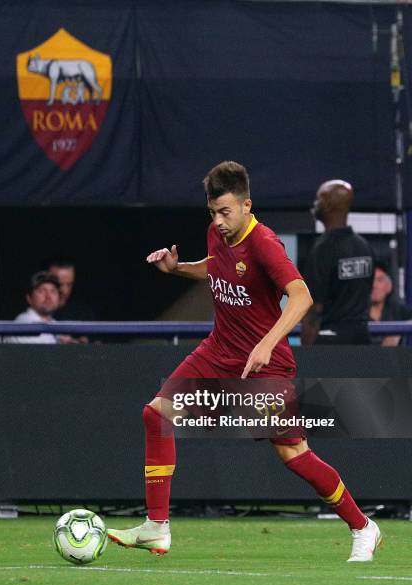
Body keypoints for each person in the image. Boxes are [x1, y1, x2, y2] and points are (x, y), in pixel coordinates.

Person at [107, 162, 382, 562]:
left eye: (225, 212)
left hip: (264, 365)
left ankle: (362, 526)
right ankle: (156, 526)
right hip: (219, 351)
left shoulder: (265, 244)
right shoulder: (217, 233)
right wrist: (178, 268)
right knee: (156, 415)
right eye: (212, 213)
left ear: (247, 205)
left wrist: (268, 343)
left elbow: (301, 296)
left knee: (294, 455)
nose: (218, 222)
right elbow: (214, 268)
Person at [301, 180, 374, 345]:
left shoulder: (321, 250)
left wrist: (305, 357)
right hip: (362, 341)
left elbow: (314, 311)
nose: (315, 203)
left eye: (318, 199)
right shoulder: (364, 246)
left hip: (330, 343)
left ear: (327, 204)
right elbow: (366, 298)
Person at [2, 272, 61, 344]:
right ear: (29, 298)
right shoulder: (24, 322)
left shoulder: (55, 323)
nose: (48, 297)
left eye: (53, 291)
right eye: (41, 291)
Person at [46, 258, 93, 343]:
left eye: (69, 285)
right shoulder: (34, 312)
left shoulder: (84, 313)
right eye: (59, 284)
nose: (64, 290)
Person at [370, 264, 412, 346]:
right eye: (371, 281)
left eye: (380, 280)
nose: (374, 285)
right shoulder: (356, 312)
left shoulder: (398, 310)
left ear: (388, 286)